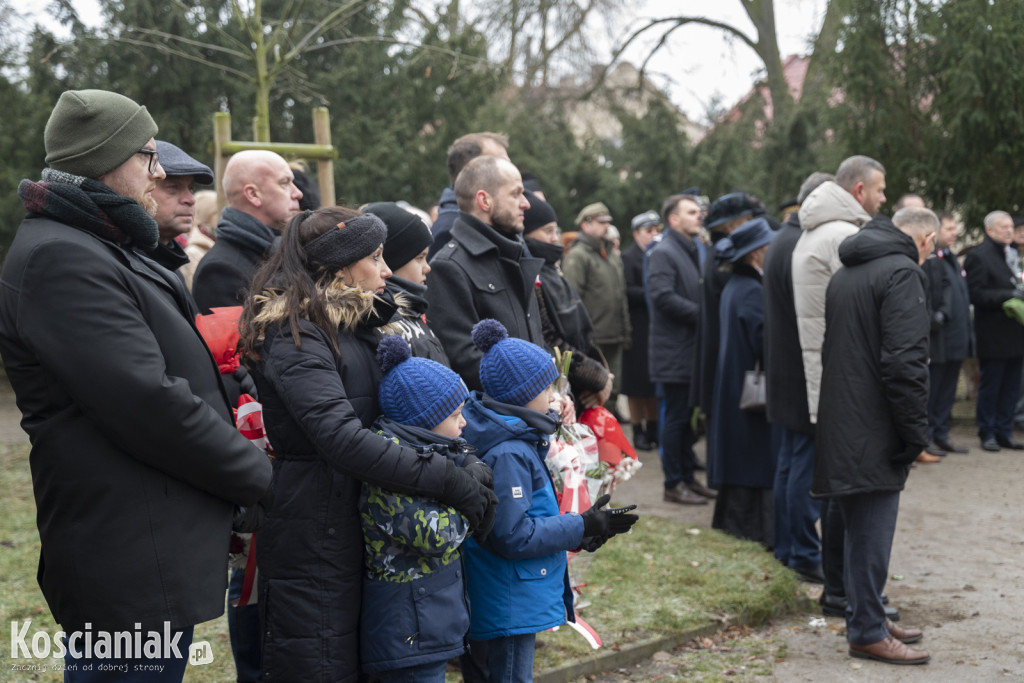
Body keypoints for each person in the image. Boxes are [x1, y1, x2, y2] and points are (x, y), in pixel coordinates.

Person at [0, 89, 273, 681]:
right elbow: (147, 401)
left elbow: (183, 367)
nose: (158, 173)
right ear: (108, 161)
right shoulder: (62, 258)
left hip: (146, 535)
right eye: (148, 157)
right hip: (123, 549)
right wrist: (257, 476)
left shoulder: (102, 244)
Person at [238, 206, 497, 682]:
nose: (385, 270)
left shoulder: (365, 323)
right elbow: (340, 437)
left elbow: (415, 412)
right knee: (322, 662)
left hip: (367, 514)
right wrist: (447, 481)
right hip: (316, 528)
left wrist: (464, 459)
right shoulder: (297, 332)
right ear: (338, 265)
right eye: (374, 258)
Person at [460, 319, 638, 681]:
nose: (554, 398)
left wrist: (581, 534)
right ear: (522, 395)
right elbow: (513, 534)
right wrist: (580, 524)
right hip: (509, 598)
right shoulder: (509, 452)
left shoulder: (518, 439)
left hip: (511, 592)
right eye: (546, 389)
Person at [813, 207, 937, 666]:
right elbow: (905, 363)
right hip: (873, 422)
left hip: (844, 415)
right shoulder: (902, 273)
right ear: (924, 240)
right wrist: (914, 433)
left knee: (853, 524)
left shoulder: (848, 271)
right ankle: (866, 628)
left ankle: (869, 613)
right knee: (871, 530)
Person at [792, 155, 899, 621]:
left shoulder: (822, 230)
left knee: (841, 490)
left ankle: (841, 590)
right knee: (848, 493)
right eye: (879, 190)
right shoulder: (841, 237)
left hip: (829, 377)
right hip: (843, 382)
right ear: (858, 191)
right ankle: (846, 594)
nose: (883, 198)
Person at [360, 335, 494, 682]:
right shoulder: (391, 469)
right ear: (423, 421)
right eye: (454, 414)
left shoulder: (429, 455)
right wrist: (471, 496)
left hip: (428, 618)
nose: (463, 423)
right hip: (407, 630)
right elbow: (439, 536)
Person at [763, 172, 832, 585]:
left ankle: (792, 548)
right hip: (800, 375)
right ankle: (804, 552)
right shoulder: (799, 244)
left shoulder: (783, 240)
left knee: (791, 466)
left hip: (786, 373)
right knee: (801, 471)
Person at [425, 155, 545, 390]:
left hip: (536, 412)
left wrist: (557, 389)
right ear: (484, 200)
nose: (526, 203)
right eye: (515, 193)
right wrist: (536, 392)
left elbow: (536, 340)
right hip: (504, 420)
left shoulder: (515, 254)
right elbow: (466, 360)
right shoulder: (449, 266)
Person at [707, 218, 777, 547]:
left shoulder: (738, 286)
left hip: (735, 388)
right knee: (751, 466)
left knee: (742, 466)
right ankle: (754, 534)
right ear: (756, 254)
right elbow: (765, 342)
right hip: (748, 394)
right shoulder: (751, 291)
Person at [646, 193, 715, 505]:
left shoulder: (691, 248)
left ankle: (688, 477)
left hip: (690, 351)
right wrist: (705, 315)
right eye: (690, 211)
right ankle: (673, 483)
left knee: (687, 420)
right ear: (673, 219)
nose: (698, 214)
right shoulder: (664, 251)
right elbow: (662, 296)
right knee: (675, 419)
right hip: (674, 352)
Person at [521, 191, 612, 409]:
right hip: (566, 391)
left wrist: (603, 377)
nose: (555, 238)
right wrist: (598, 377)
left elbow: (582, 330)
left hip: (582, 386)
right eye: (548, 231)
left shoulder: (553, 269)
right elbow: (550, 340)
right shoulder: (533, 275)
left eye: (556, 230)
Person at [192, 149, 303, 313]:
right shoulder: (221, 271)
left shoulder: (286, 249)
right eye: (285, 183)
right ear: (253, 195)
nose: (298, 193)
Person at [562, 202, 631, 414]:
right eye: (601, 222)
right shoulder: (578, 255)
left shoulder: (610, 253)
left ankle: (609, 443)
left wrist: (625, 330)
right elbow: (571, 301)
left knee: (613, 393)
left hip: (613, 336)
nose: (606, 227)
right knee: (594, 397)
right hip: (593, 341)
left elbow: (620, 296)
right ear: (586, 224)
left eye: (608, 222)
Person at [964, 210, 1024, 451]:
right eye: (1003, 227)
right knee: (992, 385)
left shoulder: (1011, 255)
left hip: (1016, 334)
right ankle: (987, 432)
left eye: (1011, 226)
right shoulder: (979, 256)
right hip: (993, 334)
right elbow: (975, 294)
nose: (1009, 231)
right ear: (989, 230)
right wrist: (1009, 295)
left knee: (1012, 386)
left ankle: (1003, 431)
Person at [365, 201, 449, 364]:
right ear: (391, 262)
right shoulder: (385, 324)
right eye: (419, 258)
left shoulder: (414, 310)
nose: (427, 268)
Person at [921, 211, 973, 455]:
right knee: (933, 389)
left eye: (954, 229)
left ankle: (941, 433)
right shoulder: (930, 258)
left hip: (956, 337)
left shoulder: (951, 258)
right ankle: (928, 436)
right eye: (949, 229)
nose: (954, 233)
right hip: (938, 337)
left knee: (948, 390)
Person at [428, 131, 511, 259]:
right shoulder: (449, 230)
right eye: (500, 163)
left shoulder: (498, 219)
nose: (511, 170)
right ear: (470, 169)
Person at [621, 210, 662, 450]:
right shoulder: (629, 257)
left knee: (652, 384)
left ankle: (654, 428)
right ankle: (638, 431)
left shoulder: (659, 255)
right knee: (636, 386)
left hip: (655, 328)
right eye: (649, 231)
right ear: (637, 234)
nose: (654, 235)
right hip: (637, 327)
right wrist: (654, 294)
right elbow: (627, 291)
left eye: (657, 230)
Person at [149, 139, 214, 272]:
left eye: (191, 189)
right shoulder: (123, 264)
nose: (190, 200)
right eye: (173, 187)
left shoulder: (173, 263)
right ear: (142, 188)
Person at [180, 189, 219, 290]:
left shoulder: (216, 244)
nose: (221, 217)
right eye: (216, 213)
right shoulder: (192, 254)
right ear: (207, 216)